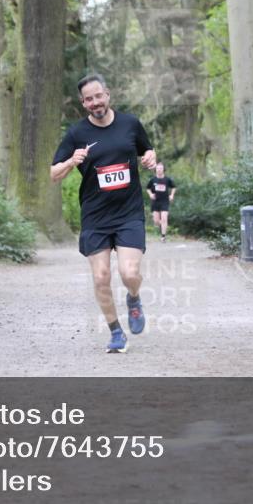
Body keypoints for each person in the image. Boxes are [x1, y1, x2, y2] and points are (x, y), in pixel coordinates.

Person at [50, 74, 157, 353]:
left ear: (107, 95)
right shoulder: (76, 134)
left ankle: (134, 298)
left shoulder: (130, 124)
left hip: (128, 213)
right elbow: (53, 173)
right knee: (101, 276)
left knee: (129, 273)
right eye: (89, 99)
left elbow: (147, 151)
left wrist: (150, 157)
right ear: (83, 103)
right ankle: (116, 332)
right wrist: (71, 161)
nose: (95, 102)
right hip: (95, 216)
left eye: (98, 96)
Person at [146, 163, 176, 243]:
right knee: (156, 221)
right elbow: (148, 188)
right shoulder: (153, 180)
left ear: (163, 170)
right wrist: (150, 194)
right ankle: (163, 226)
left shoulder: (167, 179)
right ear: (155, 170)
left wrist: (172, 195)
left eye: (160, 168)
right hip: (155, 202)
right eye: (158, 168)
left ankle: (163, 236)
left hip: (165, 201)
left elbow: (173, 187)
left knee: (164, 218)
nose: (159, 170)